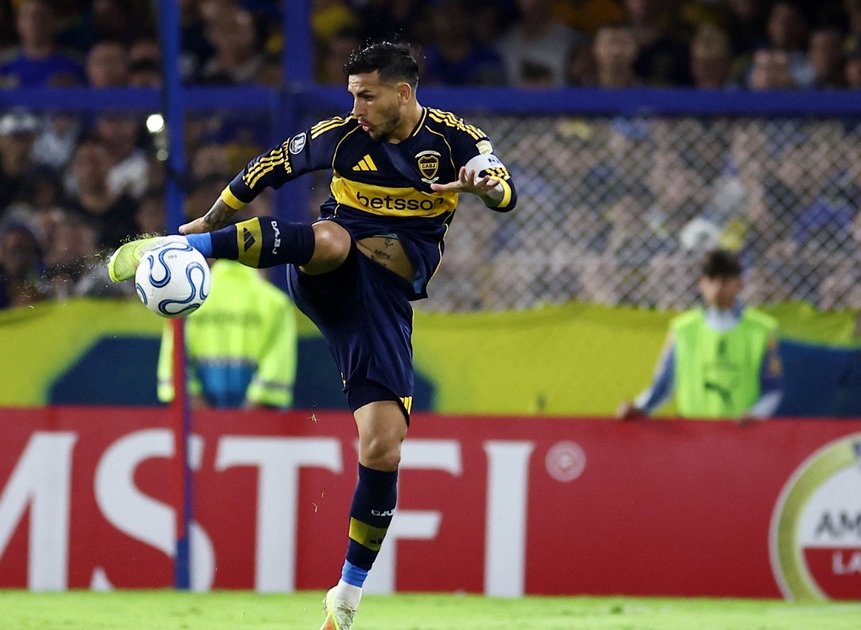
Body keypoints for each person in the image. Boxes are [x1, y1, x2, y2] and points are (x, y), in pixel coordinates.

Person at [107, 41, 517, 630]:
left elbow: (501, 188)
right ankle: (180, 248)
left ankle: (346, 596)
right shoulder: (340, 137)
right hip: (329, 271)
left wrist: (485, 186)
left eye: (366, 96)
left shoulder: (454, 141)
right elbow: (267, 167)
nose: (356, 109)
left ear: (403, 93)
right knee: (331, 238)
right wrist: (208, 222)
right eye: (352, 95)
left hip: (381, 305)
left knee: (383, 445)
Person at [617, 248, 783, 423]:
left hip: (742, 433)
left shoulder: (763, 329)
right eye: (712, 280)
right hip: (692, 434)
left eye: (725, 280)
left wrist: (756, 415)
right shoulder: (682, 329)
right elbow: (664, 385)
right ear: (701, 283)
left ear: (739, 284)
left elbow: (772, 388)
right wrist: (639, 407)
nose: (717, 288)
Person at [156, 260, 297, 410]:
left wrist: (209, 420)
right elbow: (276, 373)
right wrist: (243, 421)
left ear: (211, 258)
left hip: (195, 420)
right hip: (259, 420)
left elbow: (174, 367)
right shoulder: (276, 303)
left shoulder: (185, 301)